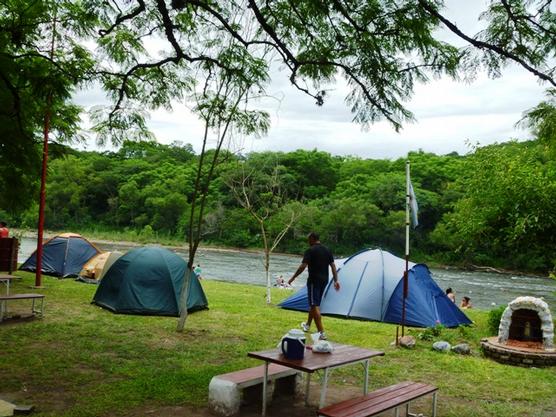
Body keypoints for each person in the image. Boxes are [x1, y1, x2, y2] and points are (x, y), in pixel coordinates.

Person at [288, 232, 339, 340]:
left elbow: (303, 266)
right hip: (324, 280)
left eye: (308, 239)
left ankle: (321, 332)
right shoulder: (327, 250)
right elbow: (333, 266)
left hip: (313, 281)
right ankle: (307, 325)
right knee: (314, 304)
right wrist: (336, 280)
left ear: (312, 239)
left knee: (314, 305)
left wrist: (293, 277)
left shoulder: (310, 250)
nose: (308, 242)